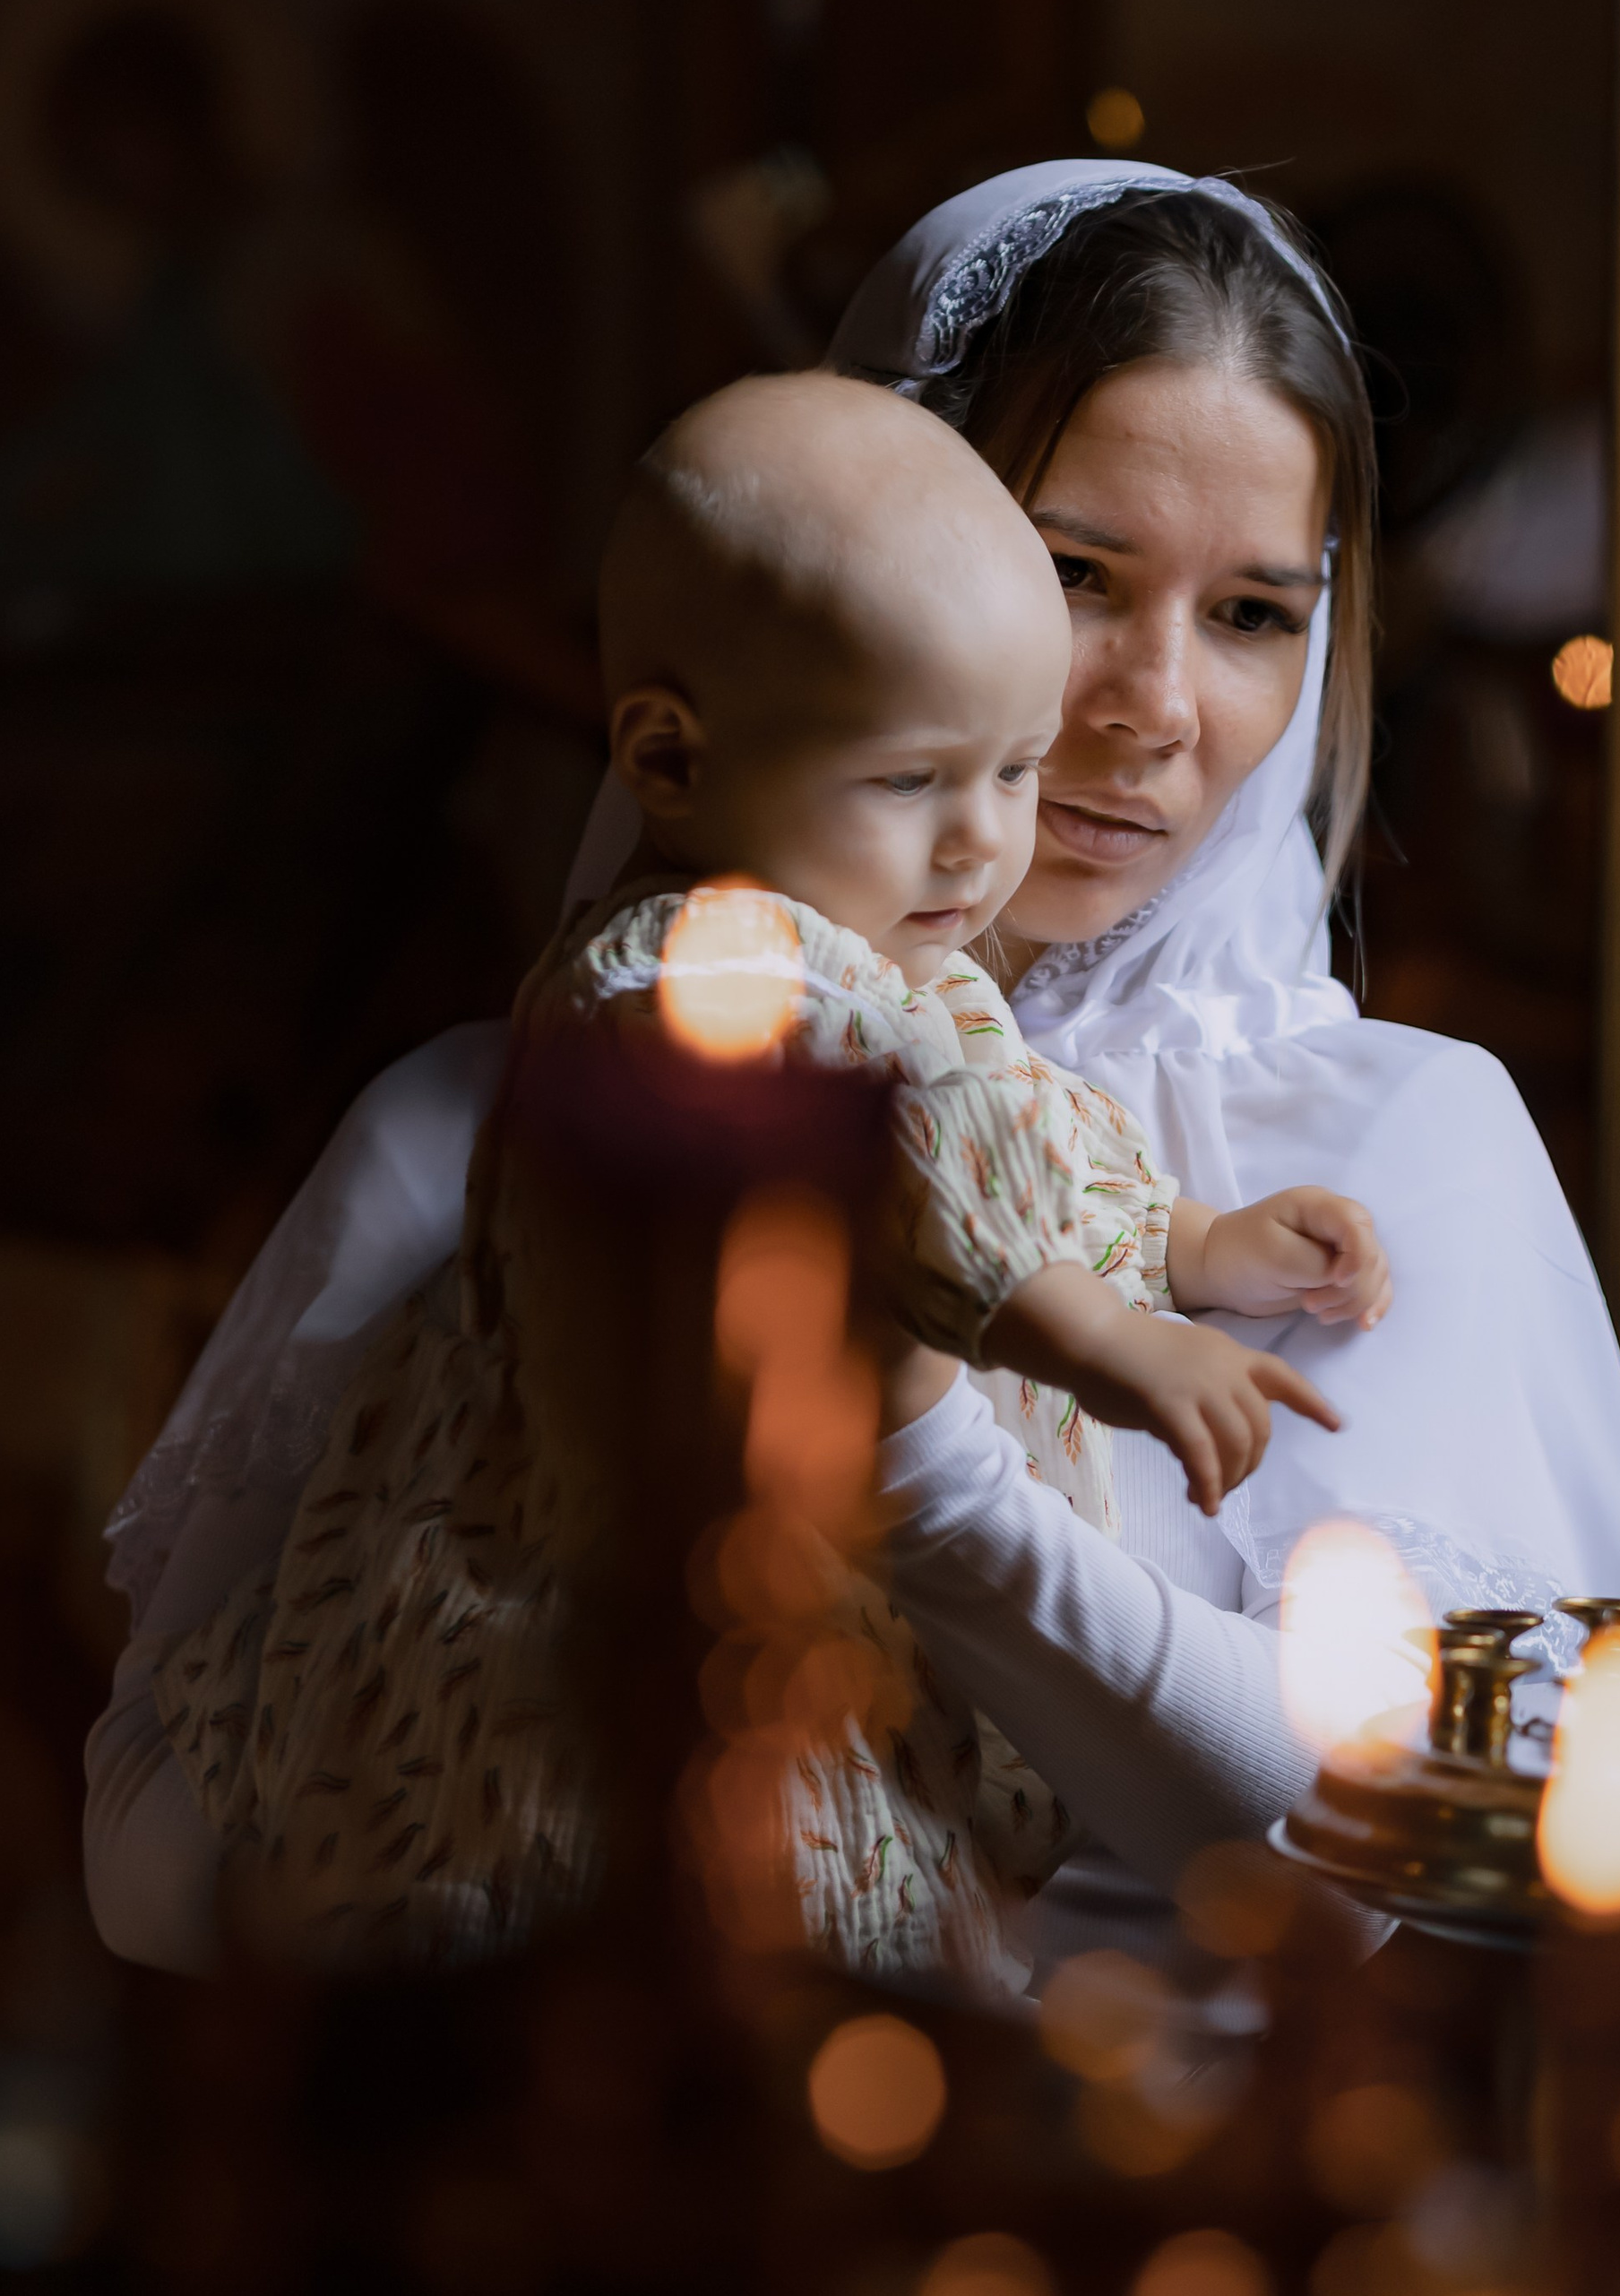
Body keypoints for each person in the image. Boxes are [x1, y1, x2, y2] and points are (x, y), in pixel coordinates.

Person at [86, 161, 1620, 1980]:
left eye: (1251, 613)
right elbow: (144, 1826)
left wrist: (915, 1456)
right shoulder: (498, 1113)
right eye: (1074, 574)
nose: (1154, 703)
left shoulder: (1391, 1149)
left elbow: (1367, 1856)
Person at [141, 371, 1388, 1988]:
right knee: (729, 1890)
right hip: (615, 1602)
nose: (977, 846)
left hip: (839, 1601)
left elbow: (1019, 1141)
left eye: (1012, 773)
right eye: (911, 780)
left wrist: (1202, 1241)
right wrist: (1095, 1335)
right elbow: (881, 1201)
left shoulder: (898, 955)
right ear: (667, 756)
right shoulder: (680, 974)